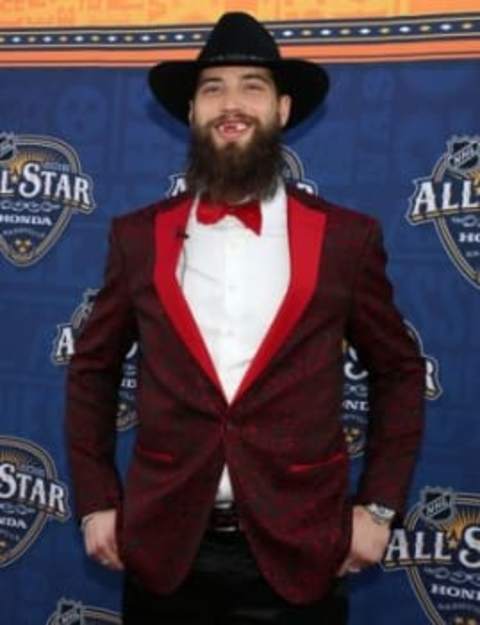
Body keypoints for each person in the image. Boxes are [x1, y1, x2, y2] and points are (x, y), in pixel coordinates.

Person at [66, 11, 425, 625]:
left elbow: (398, 370)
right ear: (192, 113)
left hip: (300, 550)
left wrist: (381, 508)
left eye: (252, 86)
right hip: (164, 550)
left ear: (283, 109)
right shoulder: (137, 237)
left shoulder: (346, 239)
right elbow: (92, 371)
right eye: (213, 89)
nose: (232, 104)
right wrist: (97, 500)